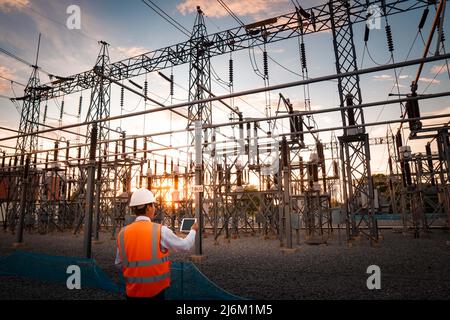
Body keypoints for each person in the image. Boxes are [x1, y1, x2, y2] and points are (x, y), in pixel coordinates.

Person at [115, 188, 198, 300]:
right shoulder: (160, 231)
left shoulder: (122, 233)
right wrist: (193, 230)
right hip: (155, 293)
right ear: (148, 207)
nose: (155, 208)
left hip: (132, 293)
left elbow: (119, 263)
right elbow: (185, 246)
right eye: (153, 205)